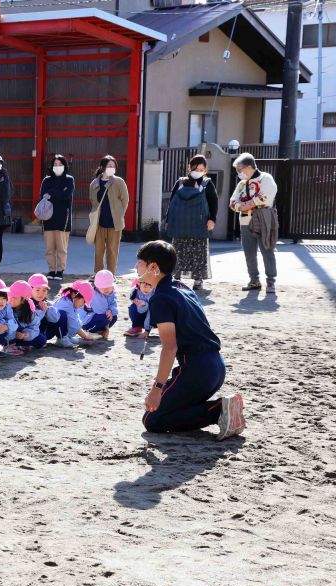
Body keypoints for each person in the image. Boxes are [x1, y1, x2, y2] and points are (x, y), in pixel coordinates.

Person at [137, 240, 245, 439]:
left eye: (140, 262)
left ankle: (219, 410)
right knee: (172, 408)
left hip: (197, 371)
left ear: (153, 267)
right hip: (217, 367)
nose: (136, 266)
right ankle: (223, 409)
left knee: (152, 420)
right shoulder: (182, 287)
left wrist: (157, 388)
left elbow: (169, 348)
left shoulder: (161, 298)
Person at [166, 154, 218, 290]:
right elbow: (171, 202)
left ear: (205, 170)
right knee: (179, 250)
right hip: (190, 223)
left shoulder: (205, 183)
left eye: (201, 169)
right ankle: (177, 277)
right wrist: (168, 219)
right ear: (190, 168)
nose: (198, 172)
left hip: (193, 223)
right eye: (195, 169)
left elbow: (213, 202)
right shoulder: (182, 182)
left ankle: (196, 279)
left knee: (197, 251)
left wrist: (212, 219)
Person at [229, 152, 279, 294]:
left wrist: (246, 204)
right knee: (249, 252)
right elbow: (232, 202)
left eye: (240, 169)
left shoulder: (265, 178)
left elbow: (265, 196)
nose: (239, 173)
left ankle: (270, 281)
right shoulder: (241, 184)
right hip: (245, 220)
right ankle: (254, 280)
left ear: (249, 167)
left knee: (267, 249)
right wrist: (241, 207)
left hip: (262, 219)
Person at [88, 155, 129, 275]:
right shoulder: (94, 183)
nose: (112, 168)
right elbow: (92, 201)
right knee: (98, 251)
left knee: (113, 250)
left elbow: (125, 200)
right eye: (109, 166)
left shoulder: (119, 182)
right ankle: (98, 274)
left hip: (114, 222)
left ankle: (111, 274)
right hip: (99, 222)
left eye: (113, 166)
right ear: (102, 167)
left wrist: (119, 214)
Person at [38, 154, 74, 280]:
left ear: (65, 166)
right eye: (55, 164)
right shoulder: (46, 180)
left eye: (60, 164)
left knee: (61, 248)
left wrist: (51, 193)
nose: (57, 166)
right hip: (48, 218)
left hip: (63, 218)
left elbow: (66, 195)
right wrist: (58, 193)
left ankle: (60, 270)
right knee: (49, 248)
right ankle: (52, 270)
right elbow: (43, 195)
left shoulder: (69, 179)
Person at [48, 281, 95, 349]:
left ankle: (67, 337)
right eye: (84, 301)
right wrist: (86, 336)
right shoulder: (66, 304)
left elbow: (75, 320)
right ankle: (62, 339)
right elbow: (74, 325)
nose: (83, 305)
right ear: (74, 295)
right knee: (62, 314)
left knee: (67, 318)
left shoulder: (70, 302)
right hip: (48, 331)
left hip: (54, 329)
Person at [8, 281, 46, 351]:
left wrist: (26, 334)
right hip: (8, 336)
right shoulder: (5, 307)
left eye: (15, 297)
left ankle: (20, 344)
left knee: (42, 339)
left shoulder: (30, 311)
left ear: (23, 300)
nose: (11, 299)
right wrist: (14, 334)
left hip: (21, 335)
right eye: (10, 296)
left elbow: (34, 328)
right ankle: (9, 345)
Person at [82, 270, 119, 339]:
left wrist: (111, 310)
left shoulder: (111, 292)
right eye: (103, 287)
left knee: (114, 317)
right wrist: (107, 327)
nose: (106, 289)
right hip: (87, 319)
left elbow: (113, 304)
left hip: (101, 315)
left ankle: (100, 330)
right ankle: (90, 331)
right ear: (96, 286)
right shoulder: (94, 293)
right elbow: (100, 311)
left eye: (108, 286)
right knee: (105, 317)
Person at [29, 273, 59, 342]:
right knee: (41, 339)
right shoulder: (26, 303)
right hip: (29, 333)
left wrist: (48, 309)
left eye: (44, 290)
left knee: (61, 314)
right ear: (30, 289)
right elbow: (30, 323)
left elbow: (55, 319)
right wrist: (43, 312)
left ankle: (62, 337)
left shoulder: (45, 302)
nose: (41, 293)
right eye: (37, 290)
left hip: (44, 333)